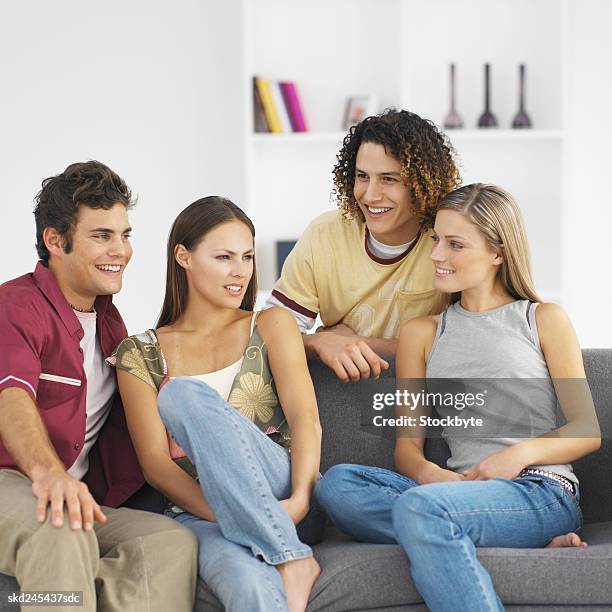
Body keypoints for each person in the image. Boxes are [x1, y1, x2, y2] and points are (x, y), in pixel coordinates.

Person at [315, 184, 600, 611]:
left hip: (539, 490)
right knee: (338, 485)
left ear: (497, 253)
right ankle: (454, 529)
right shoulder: (423, 333)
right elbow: (407, 450)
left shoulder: (541, 319)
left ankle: (444, 525)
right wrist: (433, 478)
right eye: (435, 241)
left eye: (455, 244)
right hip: (455, 493)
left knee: (422, 511)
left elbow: (586, 430)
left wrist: (516, 456)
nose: (436, 255)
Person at [0, 161, 197, 611]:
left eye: (125, 235)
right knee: (61, 526)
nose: (121, 250)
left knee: (168, 543)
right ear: (55, 241)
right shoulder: (15, 305)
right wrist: (50, 475)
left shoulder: (110, 323)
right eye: (101, 235)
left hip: (78, 495)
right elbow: (11, 397)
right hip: (12, 482)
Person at [110, 196, 323, 612]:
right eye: (223, 257)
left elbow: (306, 420)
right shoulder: (139, 353)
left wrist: (299, 499)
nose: (240, 271)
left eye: (246, 256)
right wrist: (226, 513)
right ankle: (288, 558)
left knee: (180, 394)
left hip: (282, 494)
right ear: (183, 257)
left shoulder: (271, 324)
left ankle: (294, 556)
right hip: (200, 512)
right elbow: (156, 465)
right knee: (245, 584)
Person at [266, 109, 461, 382]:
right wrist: (319, 344)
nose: (370, 195)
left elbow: (470, 343)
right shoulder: (324, 235)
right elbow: (267, 336)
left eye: (389, 179)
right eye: (362, 176)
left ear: (422, 184)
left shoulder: (450, 239)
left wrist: (359, 343)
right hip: (342, 393)